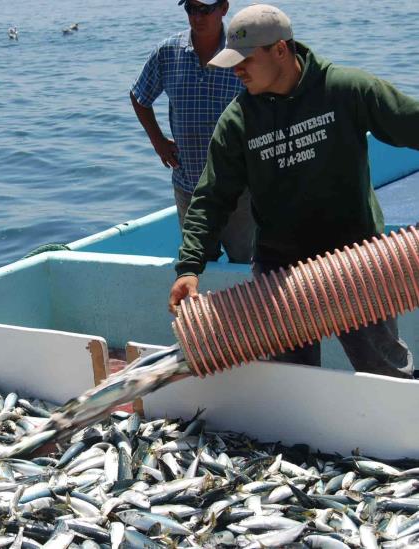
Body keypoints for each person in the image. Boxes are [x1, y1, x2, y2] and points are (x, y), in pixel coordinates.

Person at [168, 4, 419, 378]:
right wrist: (189, 267)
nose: (237, 71)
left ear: (281, 50)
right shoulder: (237, 121)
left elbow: (410, 124)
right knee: (293, 381)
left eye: (245, 60)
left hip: (356, 259)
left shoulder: (345, 89)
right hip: (281, 272)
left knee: (386, 372)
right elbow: (212, 198)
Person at [130, 0, 255, 264]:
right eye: (191, 8)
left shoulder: (243, 53)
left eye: (205, 9)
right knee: (198, 265)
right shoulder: (168, 52)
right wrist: (158, 141)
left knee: (247, 264)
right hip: (189, 186)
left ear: (223, 8)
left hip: (238, 188)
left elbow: (270, 106)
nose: (197, 16)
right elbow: (139, 96)